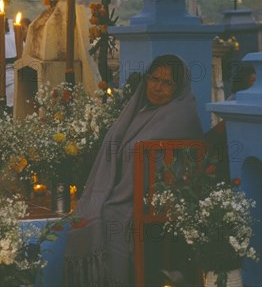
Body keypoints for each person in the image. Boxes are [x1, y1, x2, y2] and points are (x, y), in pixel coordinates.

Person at [64, 54, 203, 286]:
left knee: (108, 215)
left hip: (155, 200)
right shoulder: (143, 110)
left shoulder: (180, 113)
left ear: (178, 87)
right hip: (134, 193)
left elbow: (147, 156)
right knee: (95, 212)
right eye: (154, 78)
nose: (157, 87)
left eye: (167, 83)